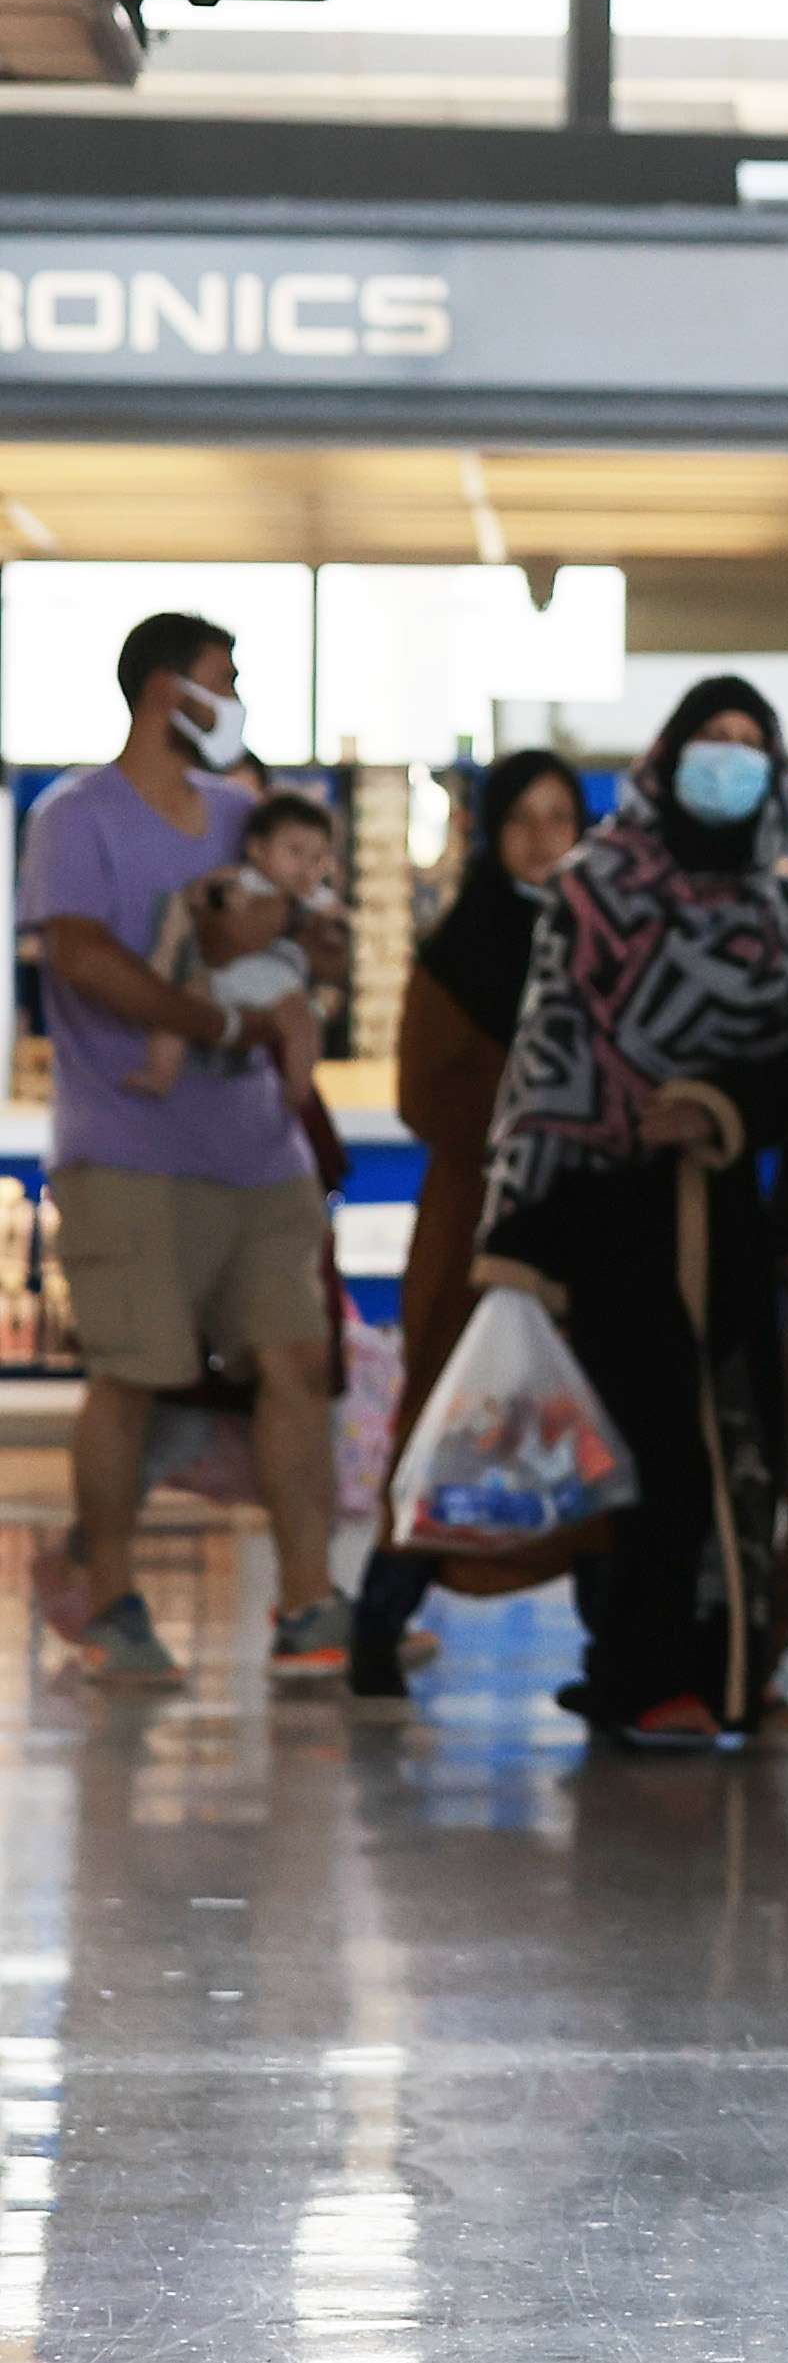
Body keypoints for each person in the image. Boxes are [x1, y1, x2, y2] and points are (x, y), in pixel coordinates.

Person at [480, 676, 788, 1749]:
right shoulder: (594, 888)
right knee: (653, 1449)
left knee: (745, 1440)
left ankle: (732, 1667)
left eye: (749, 743)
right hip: (608, 1209)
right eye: (709, 740)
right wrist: (529, 1219)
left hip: (728, 1205)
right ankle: (642, 1673)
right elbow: (552, 1048)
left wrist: (723, 1108)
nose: (727, 760)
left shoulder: (781, 909)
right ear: (667, 755)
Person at [13, 610, 349, 1684]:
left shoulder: (246, 812)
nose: (237, 694)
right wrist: (210, 1022)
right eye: (226, 676)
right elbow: (79, 957)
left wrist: (317, 943)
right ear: (169, 690)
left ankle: (309, 1604)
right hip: (127, 1147)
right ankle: (109, 1593)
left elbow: (308, 932)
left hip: (259, 1154)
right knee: (136, 1373)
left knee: (299, 1363)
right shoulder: (78, 816)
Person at [346, 748, 592, 1700]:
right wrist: (537, 1108)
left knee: (587, 1431)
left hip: (580, 1229)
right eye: (523, 820)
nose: (542, 841)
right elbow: (425, 1095)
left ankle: (617, 1654)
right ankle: (382, 1622)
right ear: (491, 833)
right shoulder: (459, 952)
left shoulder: (600, 944)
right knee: (446, 1428)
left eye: (559, 819)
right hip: (475, 1233)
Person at [132, 787, 343, 1098]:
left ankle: (298, 1089)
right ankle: (160, 1072)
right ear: (258, 850)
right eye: (295, 852)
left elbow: (334, 940)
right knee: (178, 1010)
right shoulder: (240, 879)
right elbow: (199, 894)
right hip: (223, 976)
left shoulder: (317, 899)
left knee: (302, 1023)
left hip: (278, 985)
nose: (305, 867)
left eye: (316, 858)